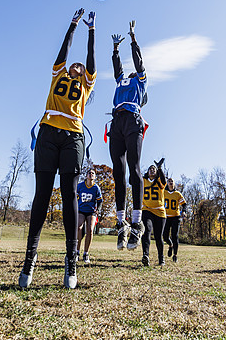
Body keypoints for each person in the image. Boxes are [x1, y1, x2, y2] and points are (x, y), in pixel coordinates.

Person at [19, 8, 96, 290]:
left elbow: (90, 60)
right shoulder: (57, 76)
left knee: (69, 196)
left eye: (79, 66)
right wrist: (73, 25)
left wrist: (91, 30)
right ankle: (30, 258)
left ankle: (71, 260)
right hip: (49, 131)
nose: (75, 66)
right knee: (41, 193)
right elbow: (64, 51)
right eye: (72, 65)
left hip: (73, 136)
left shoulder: (86, 85)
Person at [108, 20, 148, 251]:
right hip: (117, 121)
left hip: (133, 119)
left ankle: (137, 222)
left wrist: (133, 40)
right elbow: (117, 69)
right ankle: (121, 222)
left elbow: (139, 62)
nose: (132, 69)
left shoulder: (140, 80)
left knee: (134, 168)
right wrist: (115, 50)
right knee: (118, 171)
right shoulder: (122, 79)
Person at [141, 159, 167, 266]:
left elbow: (164, 181)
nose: (152, 170)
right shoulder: (143, 181)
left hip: (160, 211)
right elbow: (133, 179)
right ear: (147, 172)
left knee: (158, 236)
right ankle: (145, 255)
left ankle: (161, 258)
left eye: (154, 169)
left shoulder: (160, 182)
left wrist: (159, 168)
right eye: (150, 169)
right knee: (146, 231)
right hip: (147, 209)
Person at [77, 168, 103, 264]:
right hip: (81, 211)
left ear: (95, 177)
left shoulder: (96, 188)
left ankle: (86, 253)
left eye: (93, 173)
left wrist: (98, 210)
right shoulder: (80, 186)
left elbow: (100, 201)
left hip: (91, 212)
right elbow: (75, 198)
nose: (91, 174)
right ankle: (77, 252)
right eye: (89, 173)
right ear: (86, 175)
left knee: (90, 230)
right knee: (79, 228)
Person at [162, 178, 186, 263]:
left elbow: (184, 204)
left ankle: (175, 255)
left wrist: (183, 211)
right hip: (166, 217)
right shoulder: (163, 192)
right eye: (169, 181)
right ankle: (170, 245)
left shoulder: (177, 194)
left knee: (174, 236)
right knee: (165, 235)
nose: (170, 182)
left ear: (174, 184)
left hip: (176, 216)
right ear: (167, 183)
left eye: (172, 181)